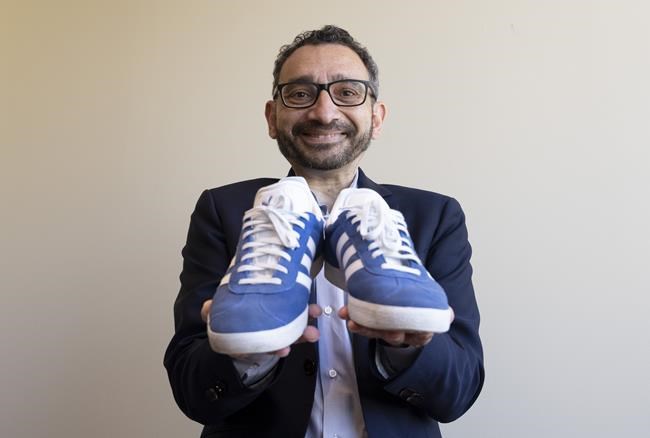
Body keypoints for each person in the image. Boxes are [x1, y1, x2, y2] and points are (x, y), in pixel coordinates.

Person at [164, 25, 484, 438]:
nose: (323, 112)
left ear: (376, 117)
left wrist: (406, 345)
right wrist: (245, 354)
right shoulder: (225, 210)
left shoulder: (434, 216)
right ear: (272, 118)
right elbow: (192, 391)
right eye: (300, 94)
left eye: (347, 92)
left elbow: (458, 392)